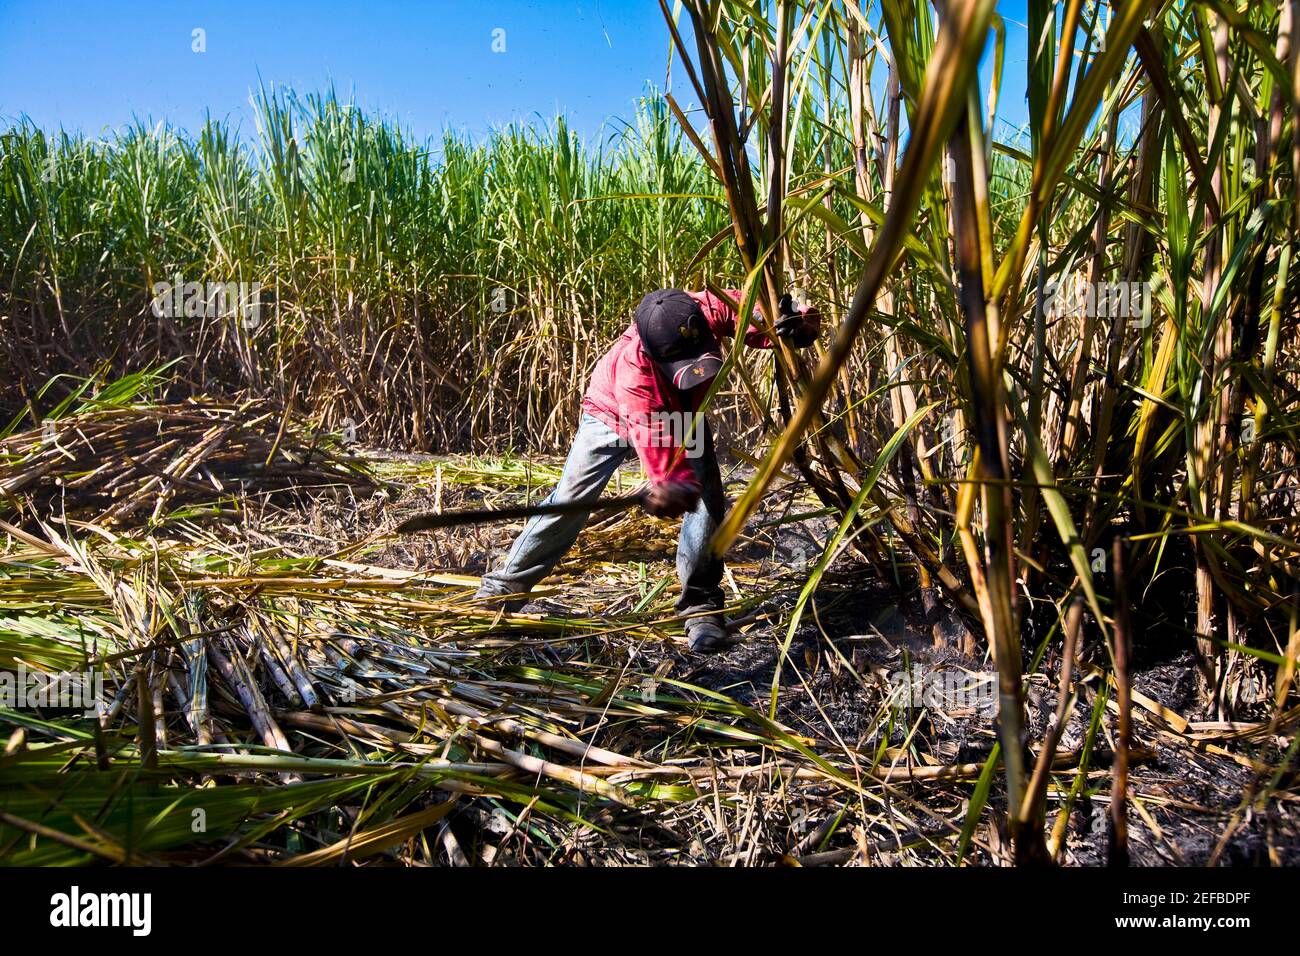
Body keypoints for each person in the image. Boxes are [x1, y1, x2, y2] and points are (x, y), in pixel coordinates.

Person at [475, 287, 820, 652]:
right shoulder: (634, 375)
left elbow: (757, 313)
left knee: (708, 502)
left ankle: (700, 606)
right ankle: (502, 590)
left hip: (685, 415)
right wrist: (671, 488)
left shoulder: (709, 306)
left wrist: (796, 323)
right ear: (654, 354)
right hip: (609, 413)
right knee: (572, 499)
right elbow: (658, 447)